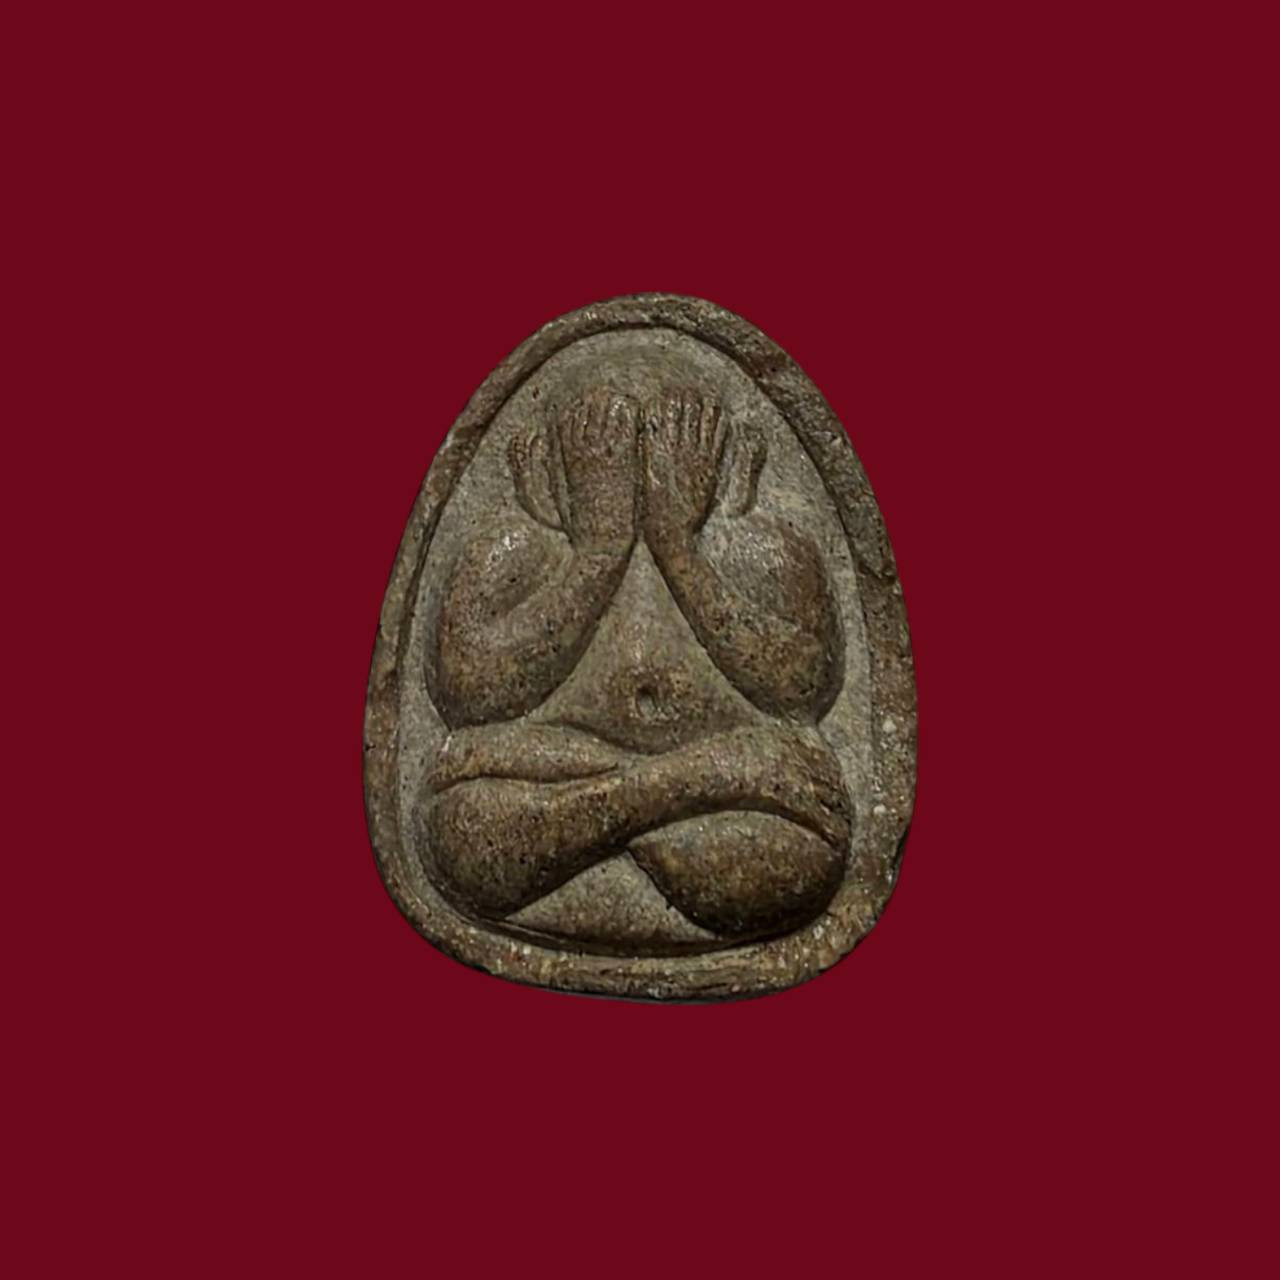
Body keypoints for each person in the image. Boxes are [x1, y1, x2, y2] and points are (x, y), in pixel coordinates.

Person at [417, 382, 851, 942]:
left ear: (728, 461)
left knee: (800, 856)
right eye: (606, 449)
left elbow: (802, 689)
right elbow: (469, 692)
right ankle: (677, 788)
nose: (636, 479)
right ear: (548, 463)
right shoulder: (515, 546)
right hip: (655, 781)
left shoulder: (761, 547)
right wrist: (599, 552)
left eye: (673, 445)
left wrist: (679, 549)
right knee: (463, 830)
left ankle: (608, 819)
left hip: (564, 801)